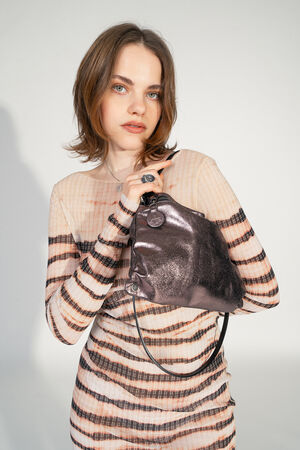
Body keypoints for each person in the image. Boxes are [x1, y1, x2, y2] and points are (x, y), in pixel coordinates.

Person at [45, 22, 280, 449]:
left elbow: (264, 291)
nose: (139, 107)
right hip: (103, 420)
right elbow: (63, 325)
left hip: (201, 417)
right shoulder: (70, 194)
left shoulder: (194, 172)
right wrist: (123, 216)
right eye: (121, 87)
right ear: (92, 90)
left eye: (152, 93)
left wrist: (177, 273)